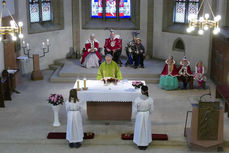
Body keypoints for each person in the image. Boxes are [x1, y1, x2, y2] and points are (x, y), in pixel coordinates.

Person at [133, 85, 154, 150]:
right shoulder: (150, 99)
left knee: (139, 129)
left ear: (141, 91)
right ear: (147, 91)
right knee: (146, 128)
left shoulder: (137, 100)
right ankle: (145, 143)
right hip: (146, 114)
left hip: (139, 115)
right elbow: (152, 110)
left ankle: (139, 143)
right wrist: (147, 112)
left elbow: (134, 111)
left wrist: (138, 113)